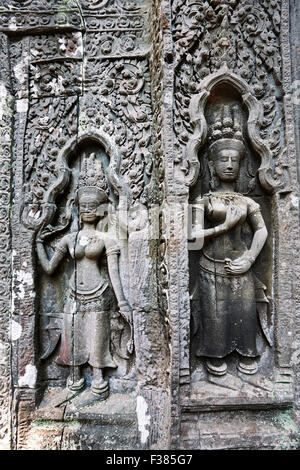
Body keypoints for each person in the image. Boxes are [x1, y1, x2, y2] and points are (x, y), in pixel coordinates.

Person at [36, 182, 132, 398]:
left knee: (98, 336)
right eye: (84, 206)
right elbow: (50, 269)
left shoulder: (107, 240)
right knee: (73, 335)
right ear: (77, 208)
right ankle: (75, 376)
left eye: (92, 206)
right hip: (73, 293)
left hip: (99, 292)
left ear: (101, 210)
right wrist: (38, 245)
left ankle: (98, 379)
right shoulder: (70, 238)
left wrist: (123, 302)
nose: (88, 210)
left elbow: (114, 274)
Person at [190, 122, 269, 377]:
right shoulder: (204, 201)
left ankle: (247, 351)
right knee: (215, 319)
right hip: (210, 268)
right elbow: (192, 238)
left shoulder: (246, 201)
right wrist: (224, 227)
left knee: (244, 313)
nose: (229, 164)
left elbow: (262, 230)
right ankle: (214, 354)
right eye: (223, 159)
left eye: (235, 160)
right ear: (211, 164)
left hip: (241, 267)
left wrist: (249, 258)